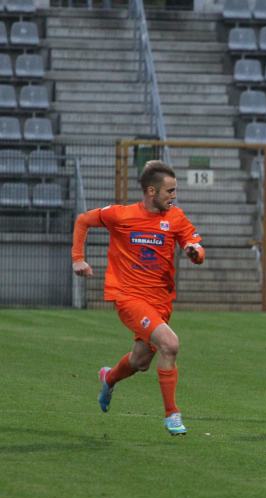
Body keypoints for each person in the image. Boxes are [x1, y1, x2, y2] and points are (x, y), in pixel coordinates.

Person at [71, 160, 205, 435]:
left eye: (175, 190)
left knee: (140, 361)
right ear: (151, 192)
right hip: (128, 297)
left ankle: (109, 378)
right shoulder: (121, 215)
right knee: (170, 344)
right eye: (170, 191)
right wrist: (78, 258)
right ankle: (172, 415)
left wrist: (195, 253)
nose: (174, 196)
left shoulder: (176, 217)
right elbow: (83, 220)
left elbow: (195, 246)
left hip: (160, 301)